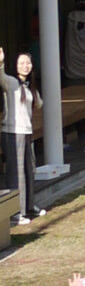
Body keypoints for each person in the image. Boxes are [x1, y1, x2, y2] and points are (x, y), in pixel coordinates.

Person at [3, 53, 45, 223]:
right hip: (12, 132)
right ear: (15, 66)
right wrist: (0, 62)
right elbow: (1, 77)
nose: (25, 66)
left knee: (30, 169)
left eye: (28, 63)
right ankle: (15, 213)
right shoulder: (12, 82)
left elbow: (39, 103)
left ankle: (29, 206)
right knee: (17, 172)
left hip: (27, 132)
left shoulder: (29, 87)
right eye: (21, 63)